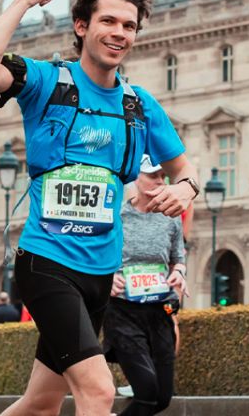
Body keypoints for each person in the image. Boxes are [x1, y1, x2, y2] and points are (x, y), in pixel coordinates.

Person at [0, 0, 198, 416]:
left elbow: (185, 168)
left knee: (40, 403)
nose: (119, 33)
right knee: (99, 391)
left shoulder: (139, 104)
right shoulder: (46, 82)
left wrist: (186, 189)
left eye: (129, 26)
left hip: (101, 275)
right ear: (82, 25)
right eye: (108, 21)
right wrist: (25, 1)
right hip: (48, 263)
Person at [103, 156, 187, 416]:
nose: (160, 181)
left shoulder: (171, 218)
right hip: (122, 311)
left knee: (162, 398)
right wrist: (107, 278)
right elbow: (97, 255)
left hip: (159, 310)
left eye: (163, 176)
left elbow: (178, 259)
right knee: (147, 392)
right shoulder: (116, 217)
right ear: (135, 178)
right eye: (153, 176)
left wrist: (180, 274)